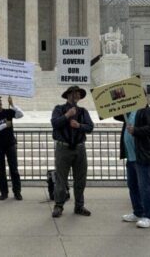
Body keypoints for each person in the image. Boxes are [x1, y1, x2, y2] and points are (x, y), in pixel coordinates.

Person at [50, 85, 94, 218]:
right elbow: (55, 123)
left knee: (80, 179)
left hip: (79, 148)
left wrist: (79, 126)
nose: (78, 96)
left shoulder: (83, 111)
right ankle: (59, 205)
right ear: (68, 95)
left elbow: (90, 127)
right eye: (75, 93)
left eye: (79, 94)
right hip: (63, 148)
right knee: (61, 179)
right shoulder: (59, 109)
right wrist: (67, 116)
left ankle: (79, 206)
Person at [116, 102, 150, 228]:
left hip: (142, 156)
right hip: (131, 156)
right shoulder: (128, 110)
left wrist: (136, 130)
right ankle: (138, 212)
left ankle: (149, 217)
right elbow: (115, 115)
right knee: (132, 185)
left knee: (144, 187)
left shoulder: (147, 110)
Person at [0, 95, 24, 200]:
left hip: (10, 144)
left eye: (0, 101)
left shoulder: (8, 112)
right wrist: (4, 125)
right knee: (1, 170)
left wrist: (12, 104)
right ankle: (4, 192)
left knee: (14, 169)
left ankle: (17, 192)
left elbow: (20, 115)